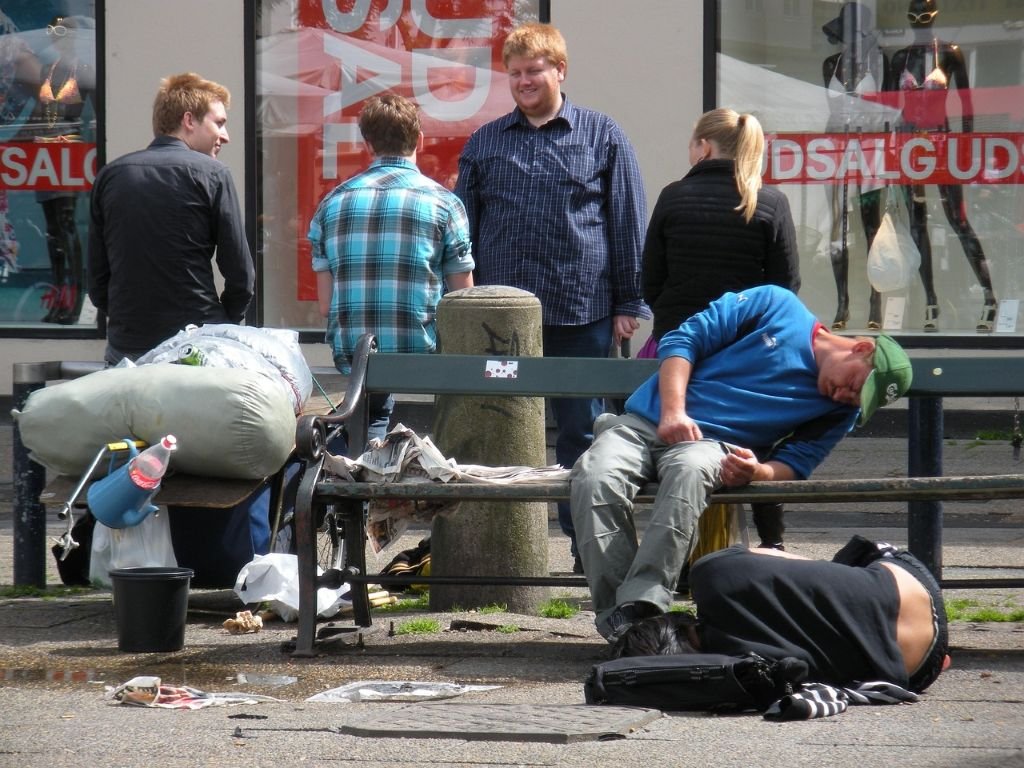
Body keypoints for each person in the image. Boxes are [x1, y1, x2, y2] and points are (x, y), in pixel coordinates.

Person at [569, 284, 913, 642]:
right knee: (594, 476)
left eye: (858, 399)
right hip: (645, 421)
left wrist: (757, 471)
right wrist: (674, 412)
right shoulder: (776, 305)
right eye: (855, 385)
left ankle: (641, 606)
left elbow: (797, 462)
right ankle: (625, 623)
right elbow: (682, 341)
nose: (846, 397)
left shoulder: (841, 410)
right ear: (861, 348)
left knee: (690, 472)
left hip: (711, 445)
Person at [455, 22, 649, 572]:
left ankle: (590, 555)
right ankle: (499, 556)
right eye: (514, 74)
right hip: (501, 318)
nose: (523, 82)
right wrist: (462, 303)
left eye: (533, 71)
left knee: (583, 438)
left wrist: (629, 302)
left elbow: (627, 220)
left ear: (559, 70)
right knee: (497, 433)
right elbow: (461, 228)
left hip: (581, 309)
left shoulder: (602, 134)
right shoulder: (486, 141)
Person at [641, 106, 799, 550]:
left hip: (681, 352)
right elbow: (786, 288)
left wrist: (677, 325)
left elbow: (651, 280)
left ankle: (684, 553)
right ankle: (772, 545)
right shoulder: (770, 202)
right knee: (758, 442)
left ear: (704, 147)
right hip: (745, 351)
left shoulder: (673, 197)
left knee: (679, 447)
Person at [308, 92, 474, 442]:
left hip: (355, 358)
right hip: (422, 354)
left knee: (373, 407)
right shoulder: (445, 204)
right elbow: (464, 301)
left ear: (367, 143)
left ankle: (365, 467)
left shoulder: (331, 204)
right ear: (419, 139)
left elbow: (326, 305)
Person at [611, 537, 949, 695]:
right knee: (843, 563)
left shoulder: (744, 676)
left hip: (919, 669)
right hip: (913, 588)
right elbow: (793, 564)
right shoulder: (710, 574)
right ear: (675, 620)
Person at [88, 72, 254, 365]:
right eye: (219, 123)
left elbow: (97, 277)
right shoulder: (213, 174)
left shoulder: (111, 175)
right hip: (196, 342)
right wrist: (221, 322)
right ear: (189, 120)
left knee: (129, 412)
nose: (225, 136)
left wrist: (128, 320)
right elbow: (241, 275)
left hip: (128, 345)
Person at [888, 0, 996, 332]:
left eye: (925, 17)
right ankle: (931, 301)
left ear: (934, 18)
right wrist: (890, 152)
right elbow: (890, 110)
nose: (920, 24)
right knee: (917, 225)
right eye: (914, 18)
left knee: (958, 220)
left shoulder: (949, 52)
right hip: (909, 146)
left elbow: (966, 103)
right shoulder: (900, 58)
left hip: (942, 142)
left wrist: (965, 146)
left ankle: (989, 296)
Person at [821, 2, 891, 332]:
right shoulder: (830, 65)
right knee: (838, 230)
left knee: (871, 227)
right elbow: (830, 110)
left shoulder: (881, 62)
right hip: (835, 150)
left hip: (871, 149)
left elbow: (891, 112)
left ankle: (875, 301)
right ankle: (842, 302)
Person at [36, 16, 93, 324]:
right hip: (44, 152)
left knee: (67, 224)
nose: (59, 40)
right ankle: (59, 298)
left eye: (64, 35)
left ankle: (76, 298)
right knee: (52, 230)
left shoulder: (82, 70)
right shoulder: (49, 69)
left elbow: (98, 114)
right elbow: (38, 112)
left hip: (69, 152)